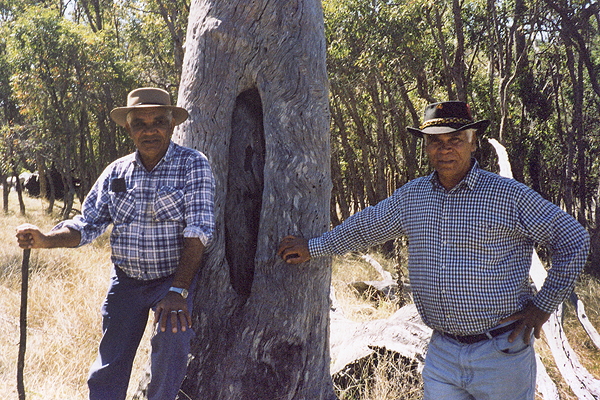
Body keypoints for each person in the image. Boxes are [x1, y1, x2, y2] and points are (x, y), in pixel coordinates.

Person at [278, 101, 589, 400]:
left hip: (500, 352)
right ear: (426, 147)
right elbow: (365, 227)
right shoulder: (413, 197)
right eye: (435, 142)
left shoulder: (507, 196)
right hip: (441, 352)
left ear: (472, 141)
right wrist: (313, 247)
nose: (445, 149)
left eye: (455, 140)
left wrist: (542, 307)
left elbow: (573, 239)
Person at [15, 87, 215, 400]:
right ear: (128, 128)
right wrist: (45, 239)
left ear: (172, 124)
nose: (149, 131)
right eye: (140, 124)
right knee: (110, 364)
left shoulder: (192, 165)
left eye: (158, 122)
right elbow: (87, 223)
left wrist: (179, 290)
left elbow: (199, 230)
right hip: (126, 281)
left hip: (172, 280)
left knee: (171, 345)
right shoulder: (117, 172)